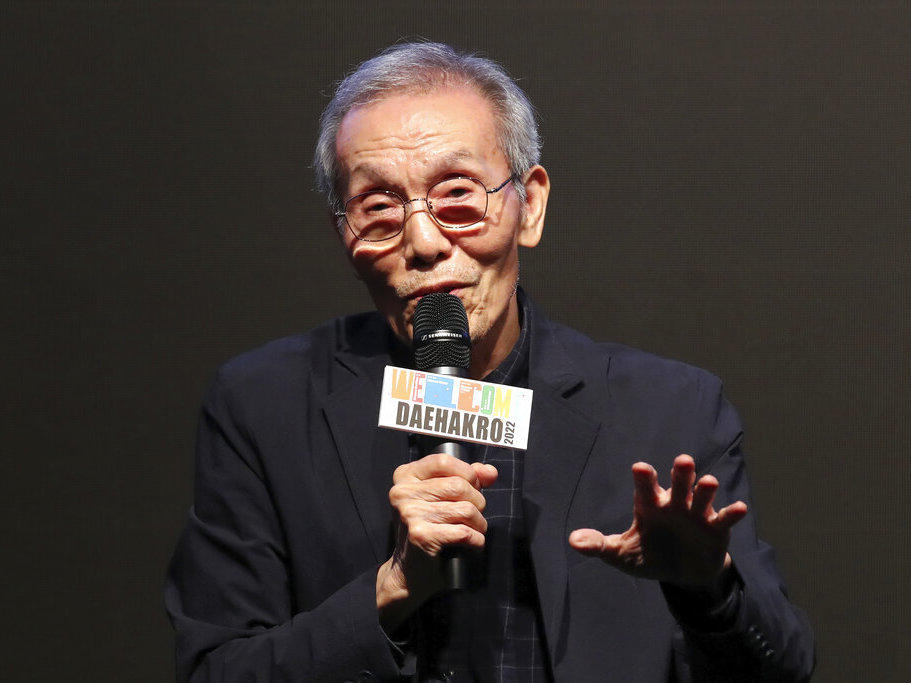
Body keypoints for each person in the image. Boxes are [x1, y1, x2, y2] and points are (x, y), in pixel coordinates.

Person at [165, 42, 815, 682]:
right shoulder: (265, 405)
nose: (422, 241)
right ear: (344, 233)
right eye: (379, 207)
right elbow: (217, 668)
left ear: (527, 205)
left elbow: (784, 667)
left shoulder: (670, 409)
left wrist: (709, 589)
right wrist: (389, 589)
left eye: (456, 195)